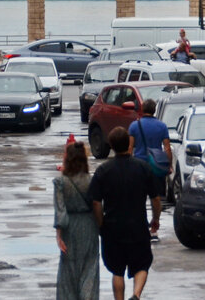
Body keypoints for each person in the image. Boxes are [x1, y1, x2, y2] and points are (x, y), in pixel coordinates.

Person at [89, 126, 163, 300]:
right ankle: (136, 295)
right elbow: (155, 198)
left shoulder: (103, 171)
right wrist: (155, 218)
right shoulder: (143, 168)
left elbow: (95, 202)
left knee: (117, 270)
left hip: (113, 228)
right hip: (138, 226)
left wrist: (101, 223)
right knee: (142, 265)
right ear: (128, 144)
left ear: (112, 146)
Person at [54, 141, 99, 300]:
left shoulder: (61, 182)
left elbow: (60, 210)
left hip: (70, 228)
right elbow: (97, 205)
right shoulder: (92, 180)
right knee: (90, 269)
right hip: (89, 225)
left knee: (68, 272)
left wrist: (59, 235)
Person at [127, 99, 172, 180]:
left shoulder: (134, 126)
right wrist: (169, 165)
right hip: (157, 165)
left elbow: (130, 148)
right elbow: (167, 148)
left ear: (142, 109)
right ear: (154, 110)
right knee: (157, 190)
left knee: (140, 190)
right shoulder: (162, 126)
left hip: (139, 165)